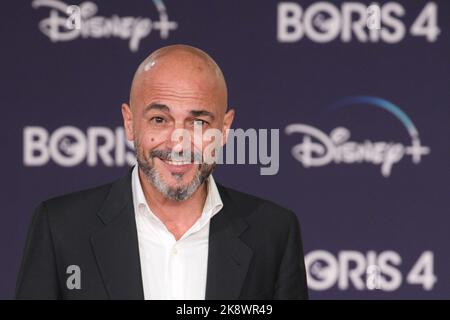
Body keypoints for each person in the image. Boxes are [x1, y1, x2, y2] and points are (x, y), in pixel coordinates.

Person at [16, 45, 308, 300]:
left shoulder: (273, 233)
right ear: (130, 123)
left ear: (225, 128)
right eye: (159, 119)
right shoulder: (61, 229)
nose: (178, 142)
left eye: (199, 122)